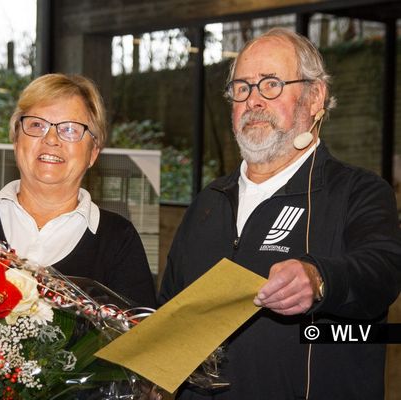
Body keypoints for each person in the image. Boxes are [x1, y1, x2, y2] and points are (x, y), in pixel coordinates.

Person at [158, 28, 401, 399]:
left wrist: (320, 278)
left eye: (271, 84)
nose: (253, 101)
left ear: (315, 96)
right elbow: (168, 315)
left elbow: (382, 272)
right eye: (242, 88)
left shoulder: (359, 192)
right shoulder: (207, 203)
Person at [0, 73, 156, 308]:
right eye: (37, 125)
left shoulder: (118, 241)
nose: (51, 139)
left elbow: (140, 340)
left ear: (93, 153)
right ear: (16, 140)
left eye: (70, 129)